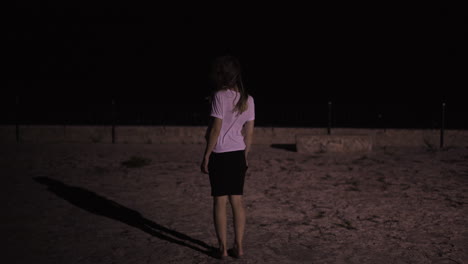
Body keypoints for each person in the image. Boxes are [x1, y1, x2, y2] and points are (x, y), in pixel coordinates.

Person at [201, 55, 255, 259]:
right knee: (237, 201)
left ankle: (223, 249)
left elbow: (215, 129)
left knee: (219, 202)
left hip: (220, 155)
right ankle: (239, 247)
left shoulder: (219, 96)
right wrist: (245, 156)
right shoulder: (248, 99)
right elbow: (249, 133)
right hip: (238, 155)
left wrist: (206, 155)